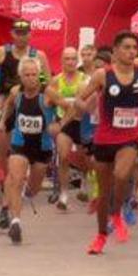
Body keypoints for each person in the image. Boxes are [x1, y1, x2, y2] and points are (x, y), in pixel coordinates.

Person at [76, 31, 138, 255]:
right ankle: (100, 235)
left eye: (134, 48)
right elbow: (81, 98)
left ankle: (118, 213)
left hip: (131, 136)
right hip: (105, 137)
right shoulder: (102, 75)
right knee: (103, 193)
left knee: (122, 175)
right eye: (126, 47)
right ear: (115, 51)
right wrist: (84, 107)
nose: (131, 51)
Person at [0, 19, 51, 228]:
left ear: (30, 34)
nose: (21, 36)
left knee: (22, 167)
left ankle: (7, 205)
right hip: (6, 103)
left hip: (30, 106)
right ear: (12, 34)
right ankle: (7, 203)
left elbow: (48, 81)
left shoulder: (38, 56)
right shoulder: (1, 52)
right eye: (18, 32)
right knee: (6, 161)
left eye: (25, 32)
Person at [0, 57, 69, 244]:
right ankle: (15, 222)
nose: (31, 78)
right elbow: (8, 105)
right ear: (20, 76)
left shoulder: (48, 94)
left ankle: (23, 197)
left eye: (34, 74)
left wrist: (60, 124)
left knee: (33, 189)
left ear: (39, 75)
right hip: (20, 143)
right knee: (16, 179)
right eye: (27, 75)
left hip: (42, 148)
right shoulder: (16, 92)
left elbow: (69, 108)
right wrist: (1, 122)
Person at [49, 47, 89, 211]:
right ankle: (64, 194)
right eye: (67, 59)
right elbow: (49, 102)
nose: (71, 62)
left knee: (83, 158)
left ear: (77, 60)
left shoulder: (85, 79)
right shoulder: (56, 80)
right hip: (63, 122)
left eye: (73, 59)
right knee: (64, 156)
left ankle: (84, 183)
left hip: (81, 122)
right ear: (62, 61)